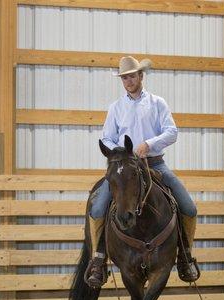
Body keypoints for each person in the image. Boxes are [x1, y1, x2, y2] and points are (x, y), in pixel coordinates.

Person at [84, 56, 201, 288]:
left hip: (154, 164)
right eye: (124, 78)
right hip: (125, 167)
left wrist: (149, 144)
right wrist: (119, 151)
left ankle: (185, 256)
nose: (128, 81)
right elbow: (106, 136)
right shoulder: (116, 107)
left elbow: (172, 132)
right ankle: (98, 260)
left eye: (131, 76)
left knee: (188, 207)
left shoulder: (158, 103)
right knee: (97, 208)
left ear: (141, 76)